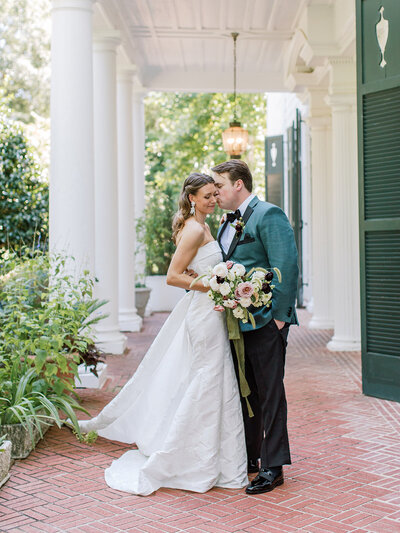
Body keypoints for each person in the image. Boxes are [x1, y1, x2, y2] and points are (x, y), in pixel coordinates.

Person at [79, 173, 248, 496]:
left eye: (215, 194)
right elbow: (172, 276)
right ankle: (188, 457)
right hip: (203, 313)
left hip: (209, 310)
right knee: (208, 379)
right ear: (192, 199)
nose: (214, 200)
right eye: (208, 196)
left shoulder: (204, 226)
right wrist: (215, 284)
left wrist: (212, 282)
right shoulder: (195, 229)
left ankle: (216, 458)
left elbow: (191, 270)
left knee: (213, 379)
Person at [212, 159, 299, 495]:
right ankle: (251, 457)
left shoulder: (269, 215)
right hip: (236, 325)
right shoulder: (226, 223)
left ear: (238, 184)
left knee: (270, 392)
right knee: (246, 392)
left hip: (265, 322)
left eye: (219, 185)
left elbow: (286, 267)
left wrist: (278, 318)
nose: (215, 192)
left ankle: (273, 467)